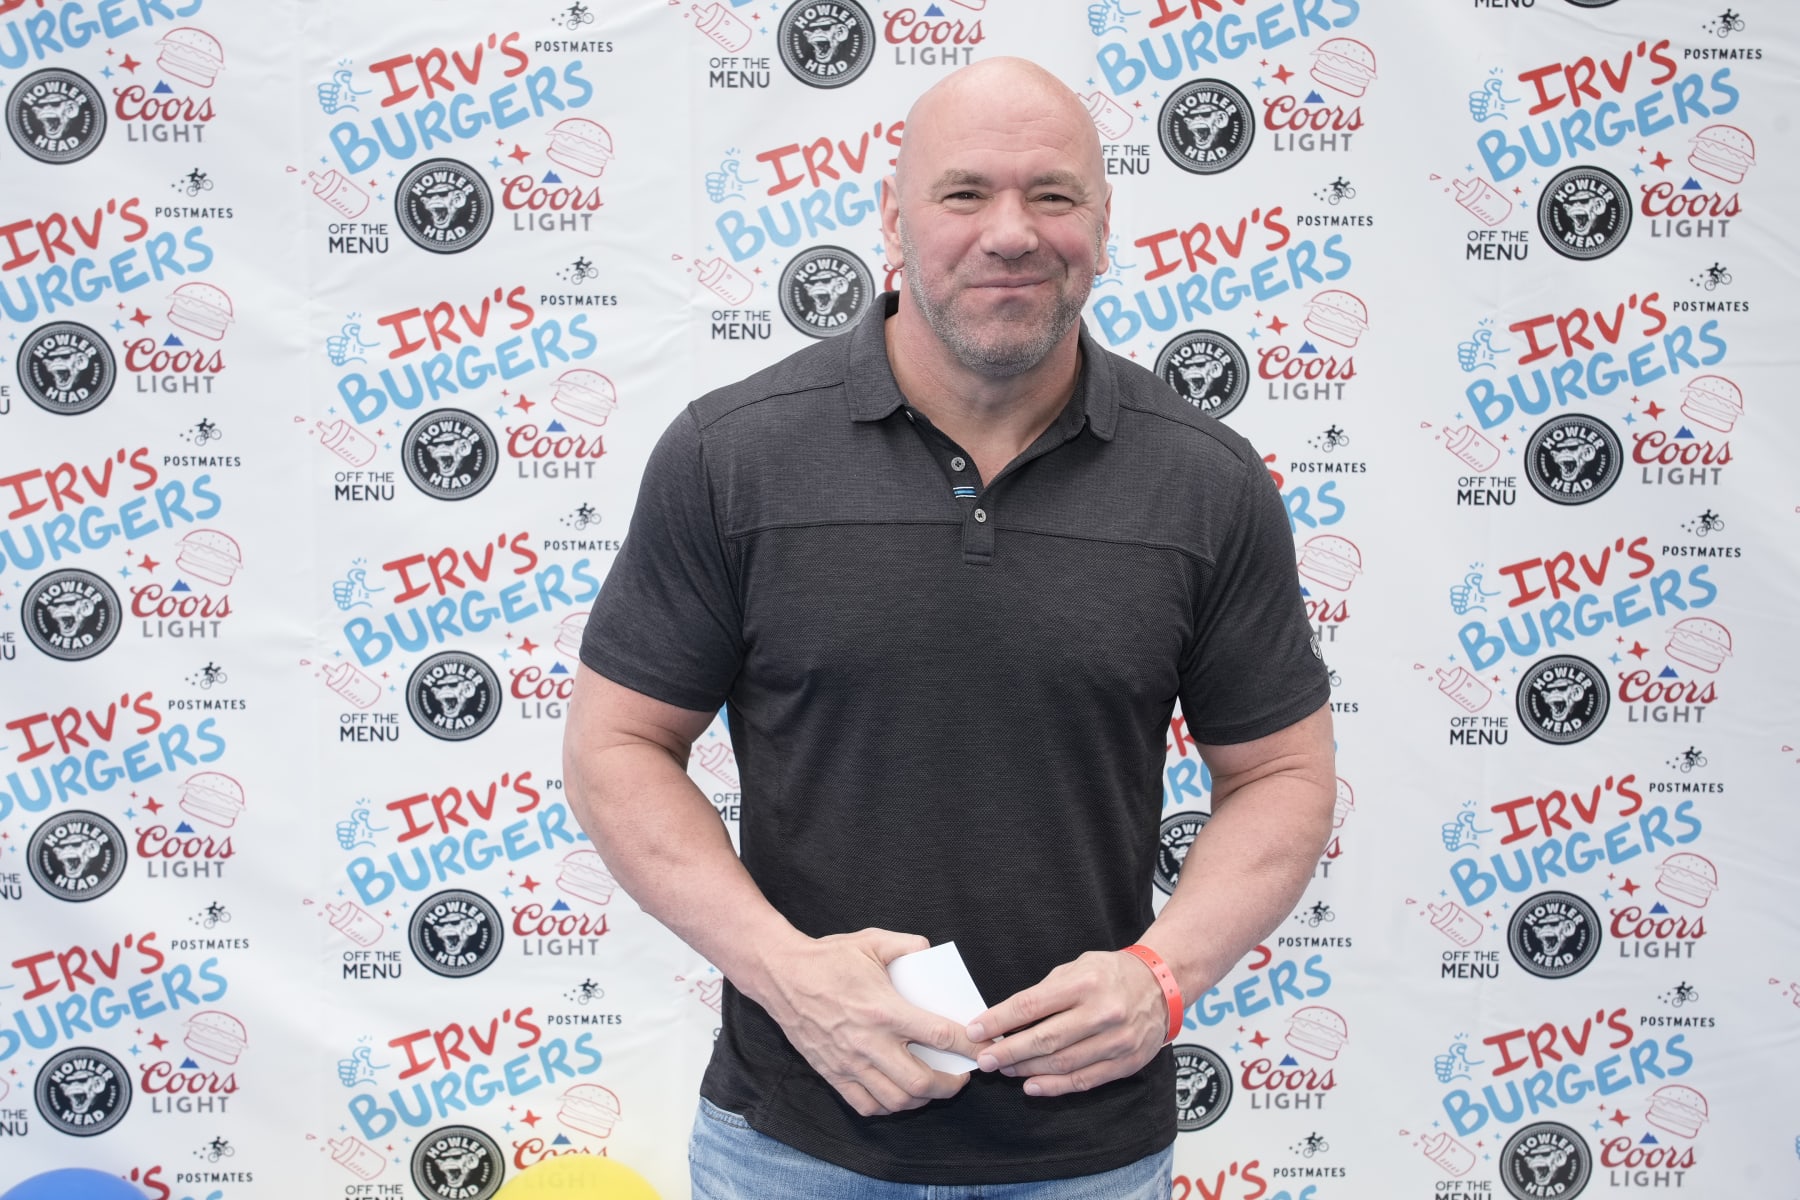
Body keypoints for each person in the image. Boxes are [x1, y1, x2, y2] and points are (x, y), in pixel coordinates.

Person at [563, 56, 1335, 1199]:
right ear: (893, 217)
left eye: (1053, 196)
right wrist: (786, 973)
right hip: (793, 1146)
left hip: (1089, 1158)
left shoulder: (1206, 483)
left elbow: (1280, 773)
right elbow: (616, 746)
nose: (1010, 234)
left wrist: (1163, 975)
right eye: (964, 193)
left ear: (1104, 224)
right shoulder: (734, 457)